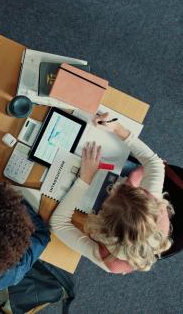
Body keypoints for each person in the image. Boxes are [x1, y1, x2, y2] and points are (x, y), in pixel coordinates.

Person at [50, 113, 173, 274]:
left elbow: (58, 224)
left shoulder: (111, 261)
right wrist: (117, 128)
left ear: (102, 223)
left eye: (109, 197)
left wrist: (85, 179)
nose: (112, 187)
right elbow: (154, 162)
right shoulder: (154, 208)